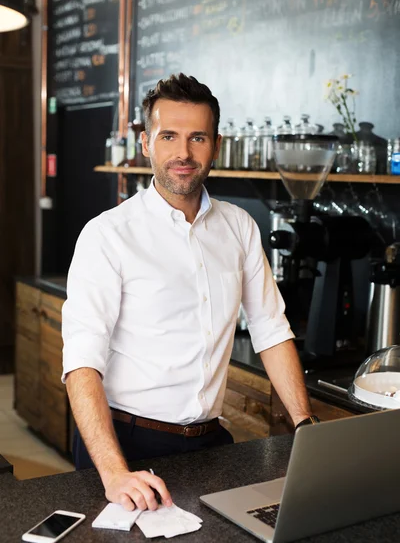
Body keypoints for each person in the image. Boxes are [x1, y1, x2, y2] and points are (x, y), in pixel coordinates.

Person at [62, 73, 317, 514]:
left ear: (215, 144)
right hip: (123, 445)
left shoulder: (240, 226)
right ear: (145, 144)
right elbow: (82, 363)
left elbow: (271, 330)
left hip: (210, 444)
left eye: (197, 137)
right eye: (169, 136)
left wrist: (307, 426)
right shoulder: (106, 235)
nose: (183, 153)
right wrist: (113, 471)